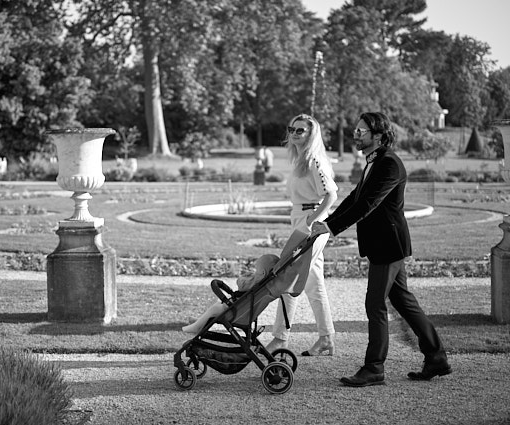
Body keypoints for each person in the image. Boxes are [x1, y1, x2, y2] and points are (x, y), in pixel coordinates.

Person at [311, 112, 452, 387]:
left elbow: (368, 205)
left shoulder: (389, 165)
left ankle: (374, 367)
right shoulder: (373, 162)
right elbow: (355, 198)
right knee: (403, 302)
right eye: (356, 129)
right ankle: (436, 358)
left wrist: (332, 228)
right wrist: (328, 221)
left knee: (374, 303)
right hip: (385, 245)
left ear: (378, 135)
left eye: (362, 131)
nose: (356, 134)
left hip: (389, 245)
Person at [265, 113, 338, 357]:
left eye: (300, 131)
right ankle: (326, 338)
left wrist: (312, 219)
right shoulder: (300, 160)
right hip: (301, 221)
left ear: (311, 134)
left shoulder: (314, 160)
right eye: (292, 129)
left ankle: (279, 339)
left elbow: (331, 195)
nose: (294, 133)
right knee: (314, 284)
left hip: (310, 225)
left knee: (289, 277)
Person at [182, 228, 313, 335]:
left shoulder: (255, 282)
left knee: (216, 308)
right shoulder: (265, 284)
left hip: (236, 312)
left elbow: (240, 284)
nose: (254, 271)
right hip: (241, 308)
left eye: (257, 269)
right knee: (214, 309)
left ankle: (197, 327)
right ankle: (200, 322)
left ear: (262, 273)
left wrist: (246, 276)